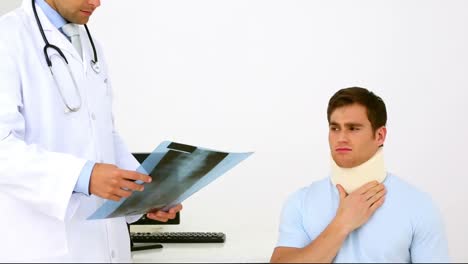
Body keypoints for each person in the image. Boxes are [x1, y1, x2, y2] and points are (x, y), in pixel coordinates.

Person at [0, 0, 182, 261]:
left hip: (104, 245)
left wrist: (145, 192)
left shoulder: (88, 41)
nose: (96, 3)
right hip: (41, 246)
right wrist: (82, 176)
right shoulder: (7, 38)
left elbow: (103, 133)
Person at [270, 87, 450, 263]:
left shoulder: (418, 206)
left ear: (380, 135)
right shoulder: (300, 202)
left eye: (353, 128)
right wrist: (342, 224)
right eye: (335, 128)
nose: (341, 138)